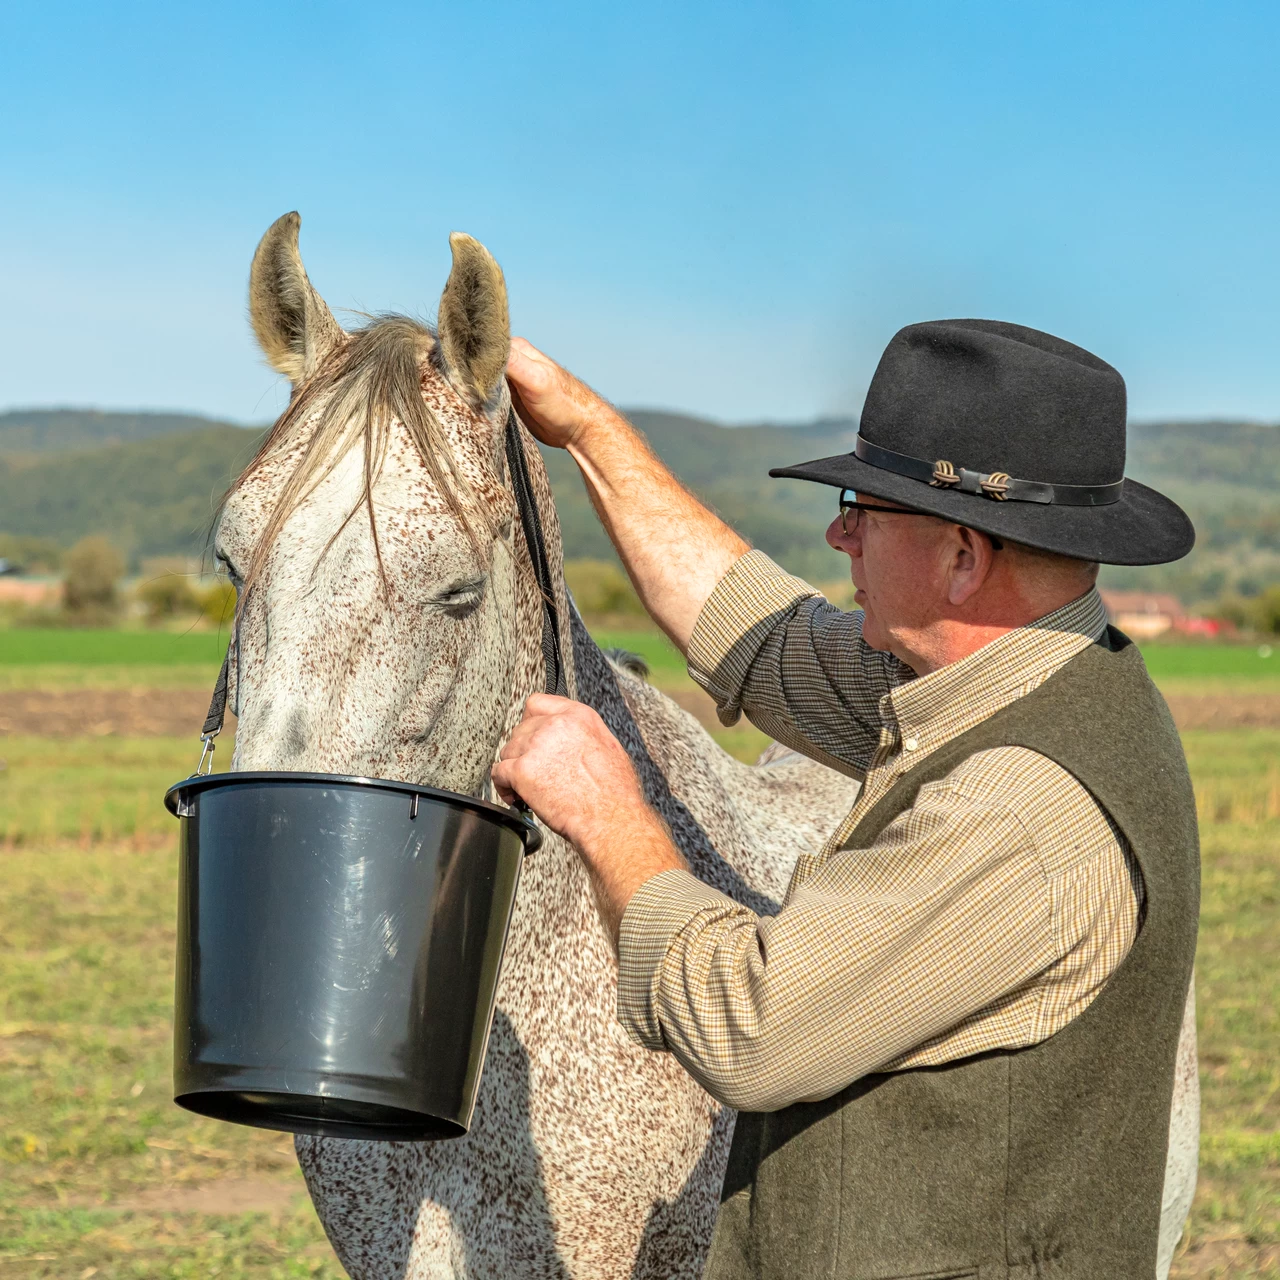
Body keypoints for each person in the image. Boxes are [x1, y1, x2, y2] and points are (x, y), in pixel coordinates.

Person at [491, 320, 1200, 1280]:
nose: (839, 532)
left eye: (863, 507)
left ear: (960, 557)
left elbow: (750, 1025)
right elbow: (753, 628)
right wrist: (589, 433)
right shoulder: (1025, 676)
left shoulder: (1018, 812)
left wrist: (606, 809)